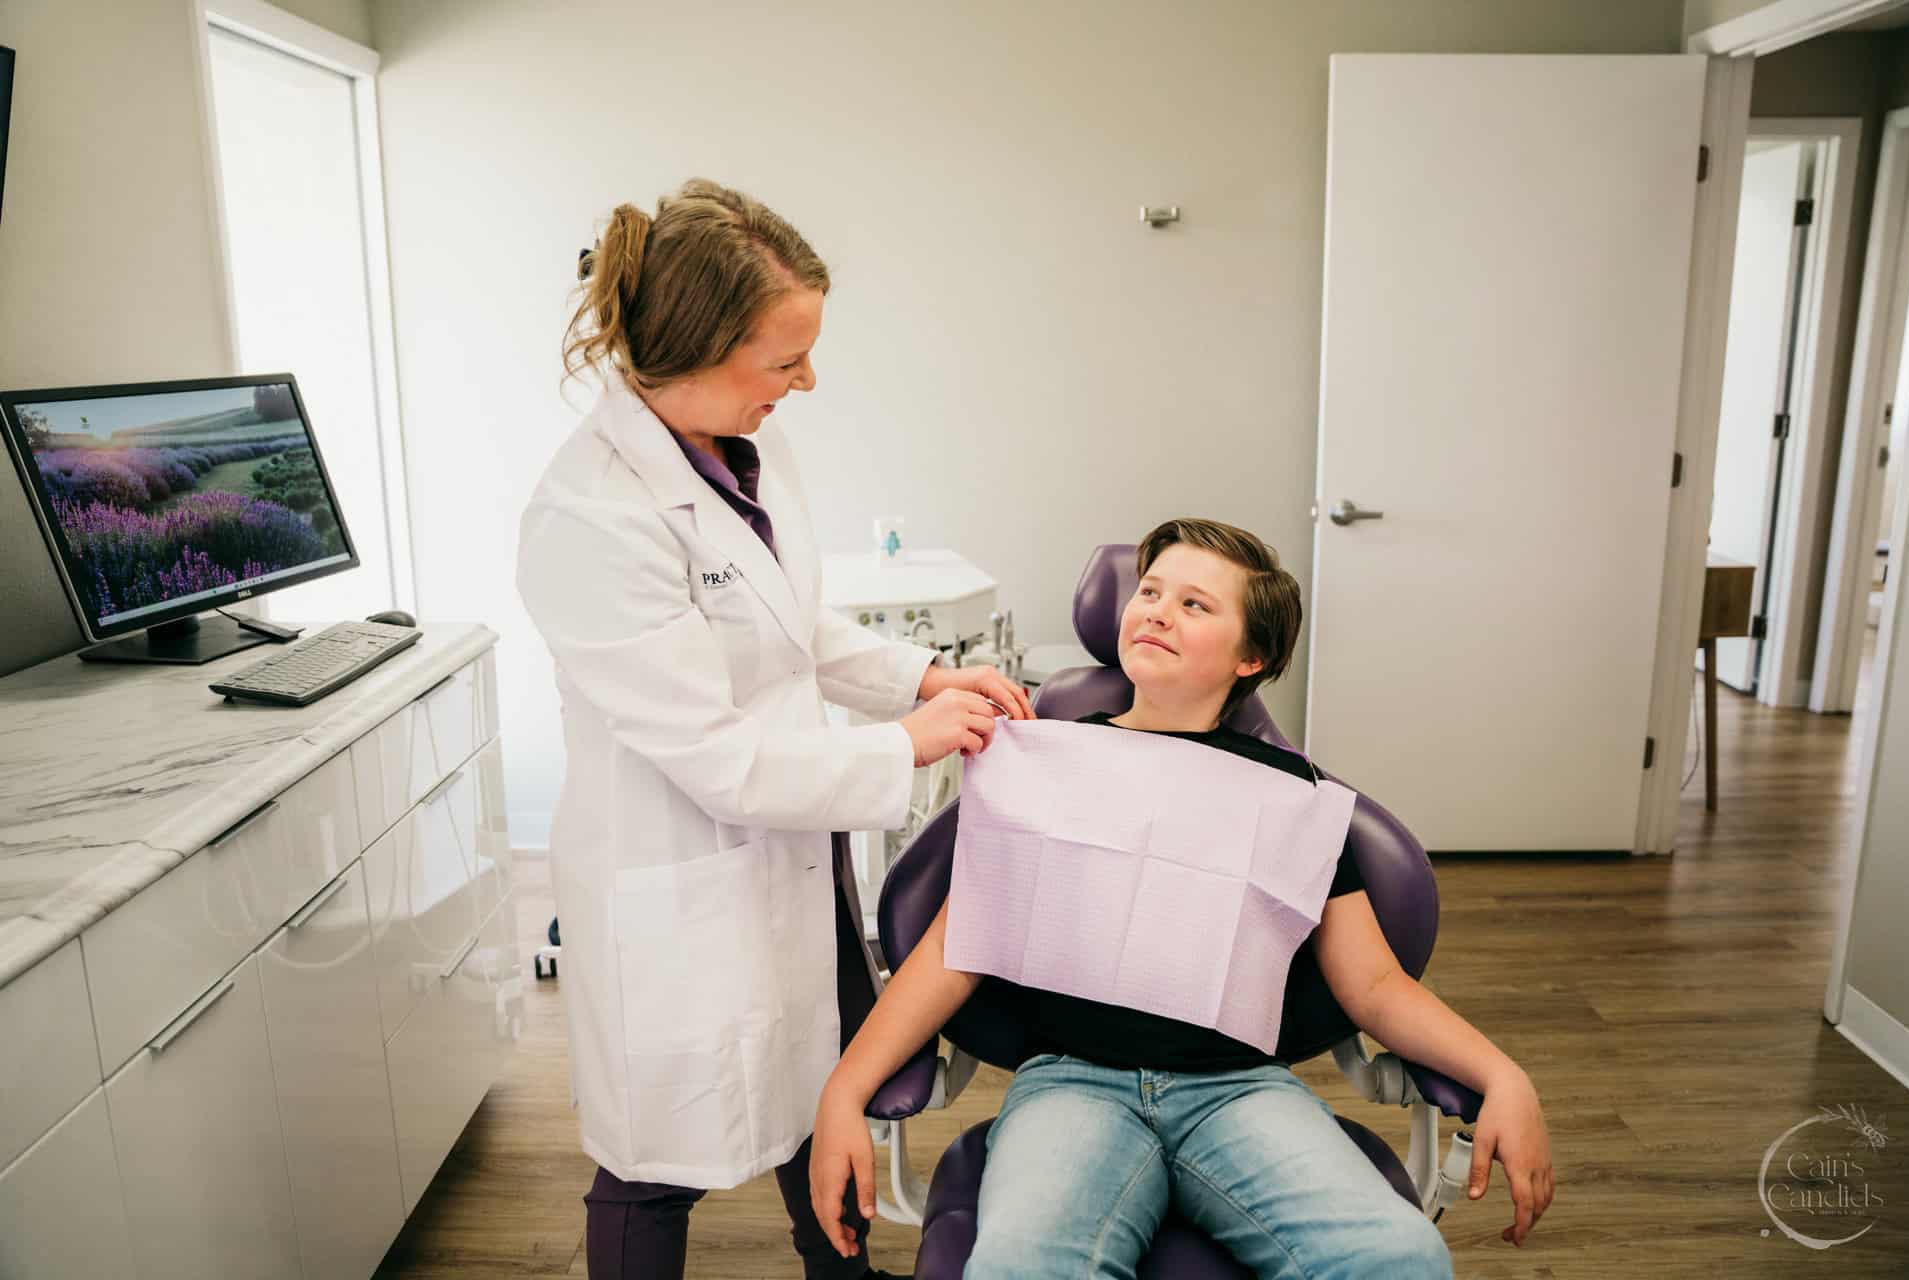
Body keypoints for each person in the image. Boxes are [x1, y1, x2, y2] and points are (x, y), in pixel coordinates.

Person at [516, 178, 1033, 1280]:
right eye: (783, 357)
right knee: (650, 1156)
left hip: (798, 853)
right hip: (676, 878)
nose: (806, 381)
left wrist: (926, 672)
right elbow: (722, 758)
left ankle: (841, 1272)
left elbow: (795, 626)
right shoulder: (591, 520)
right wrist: (912, 740)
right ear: (695, 348)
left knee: (821, 1090)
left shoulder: (748, 444)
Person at [809, 518, 1554, 1279]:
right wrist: (845, 1091)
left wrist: (1504, 1076)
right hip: (1072, 1084)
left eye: (1196, 605)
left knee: (1401, 1259)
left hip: (1237, 1092)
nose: (1159, 609)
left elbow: (1374, 985)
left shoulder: (1288, 797)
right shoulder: (1042, 763)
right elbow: (952, 951)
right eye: (1151, 591)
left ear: (1250, 656)